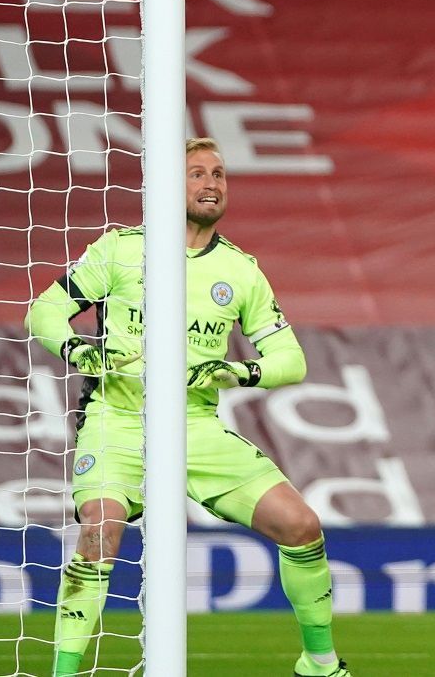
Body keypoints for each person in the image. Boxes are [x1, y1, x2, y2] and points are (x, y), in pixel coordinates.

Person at [26, 138, 351, 677]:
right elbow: (45, 313)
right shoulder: (121, 249)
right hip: (118, 419)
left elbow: (290, 360)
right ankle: (64, 671)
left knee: (301, 526)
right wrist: (80, 349)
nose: (212, 183)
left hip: (195, 424)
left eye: (219, 174)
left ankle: (318, 663)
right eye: (197, 173)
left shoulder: (240, 270)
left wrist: (236, 371)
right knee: (99, 531)